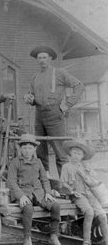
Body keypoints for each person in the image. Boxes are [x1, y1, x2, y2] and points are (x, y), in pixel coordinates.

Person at [24, 46, 84, 174]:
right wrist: (29, 98)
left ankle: (65, 185)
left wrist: (67, 105)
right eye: (39, 58)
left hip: (54, 114)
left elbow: (79, 86)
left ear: (50, 58)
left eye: (44, 57)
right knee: (40, 151)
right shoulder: (35, 77)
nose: (42, 60)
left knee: (60, 151)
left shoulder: (59, 73)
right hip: (39, 115)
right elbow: (33, 97)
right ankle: (45, 183)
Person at [7, 133, 61, 245]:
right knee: (28, 208)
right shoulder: (15, 162)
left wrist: (48, 193)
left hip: (38, 193)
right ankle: (27, 238)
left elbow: (44, 179)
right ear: (20, 149)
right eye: (24, 148)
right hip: (23, 193)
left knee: (55, 206)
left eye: (30, 148)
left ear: (34, 149)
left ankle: (53, 236)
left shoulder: (38, 162)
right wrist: (21, 196)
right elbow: (11, 181)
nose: (27, 151)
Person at [60, 140, 108, 245]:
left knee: (102, 215)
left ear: (82, 156)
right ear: (70, 153)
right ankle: (87, 240)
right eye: (74, 153)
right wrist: (72, 192)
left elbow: (94, 182)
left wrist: (85, 176)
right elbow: (63, 184)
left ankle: (107, 240)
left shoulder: (86, 167)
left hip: (90, 194)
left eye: (79, 154)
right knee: (89, 212)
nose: (76, 156)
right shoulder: (66, 167)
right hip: (78, 195)